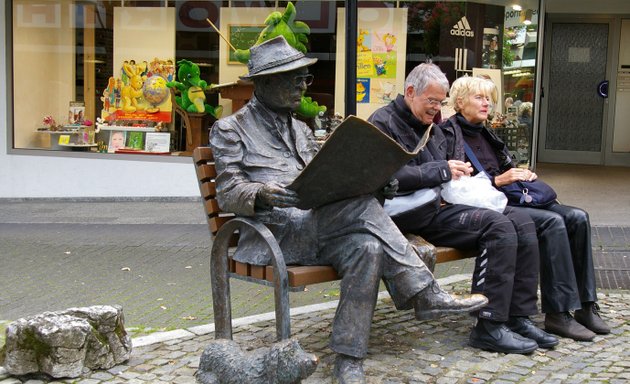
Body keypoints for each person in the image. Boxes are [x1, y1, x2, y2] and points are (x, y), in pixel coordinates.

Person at [208, 36, 488, 384]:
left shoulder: (300, 128)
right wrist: (262, 191)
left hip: (318, 224)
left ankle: (348, 361)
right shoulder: (230, 129)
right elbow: (228, 191)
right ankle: (424, 292)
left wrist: (373, 181)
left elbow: (325, 178)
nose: (302, 85)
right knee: (359, 209)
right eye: (292, 77)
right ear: (265, 83)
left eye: (304, 77)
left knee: (367, 248)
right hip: (274, 234)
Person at [368, 63, 558, 354]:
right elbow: (385, 177)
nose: (436, 108)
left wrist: (456, 172)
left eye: (440, 102)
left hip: (437, 205)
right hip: (408, 216)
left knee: (521, 220)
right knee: (498, 226)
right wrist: (442, 171)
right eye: (432, 101)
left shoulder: (430, 125)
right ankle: (489, 326)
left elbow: (442, 168)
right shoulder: (382, 123)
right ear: (410, 92)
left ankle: (518, 316)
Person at [441, 75, 611, 341]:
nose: (487, 104)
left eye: (489, 98)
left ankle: (586, 305)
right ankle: (559, 313)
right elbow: (455, 188)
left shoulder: (486, 131)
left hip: (511, 197)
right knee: (552, 223)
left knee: (578, 217)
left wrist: (520, 173)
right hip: (488, 206)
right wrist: (499, 180)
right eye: (480, 97)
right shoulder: (448, 133)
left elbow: (504, 166)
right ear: (460, 102)